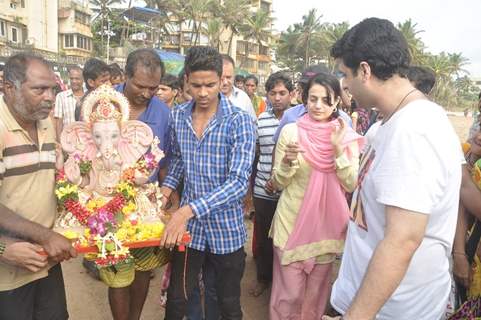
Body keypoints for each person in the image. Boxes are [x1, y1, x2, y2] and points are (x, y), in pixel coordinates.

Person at [323, 18, 463, 320]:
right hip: (368, 299)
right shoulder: (387, 125)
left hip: (389, 311)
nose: (343, 85)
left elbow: (402, 240)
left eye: (345, 75)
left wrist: (356, 316)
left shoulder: (413, 131)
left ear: (364, 70)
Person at [159, 46, 256, 320]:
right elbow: (178, 159)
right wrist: (165, 191)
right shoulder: (178, 116)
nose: (203, 93)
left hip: (226, 229)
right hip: (189, 232)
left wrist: (187, 210)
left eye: (211, 85)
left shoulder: (240, 122)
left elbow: (238, 183)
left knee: (226, 302)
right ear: (186, 79)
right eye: (197, 85)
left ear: (222, 80)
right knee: (178, 299)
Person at [270, 73, 363, 319]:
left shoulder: (345, 135)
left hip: (326, 228)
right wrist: (288, 163)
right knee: (288, 296)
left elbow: (352, 182)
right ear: (304, 99)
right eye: (313, 99)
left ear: (336, 103)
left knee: (315, 297)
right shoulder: (291, 132)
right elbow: (278, 183)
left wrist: (336, 150)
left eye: (325, 100)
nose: (318, 105)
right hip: (290, 224)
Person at [0, 53, 77, 319]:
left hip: (45, 260)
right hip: (8, 272)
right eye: (39, 89)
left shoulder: (45, 123)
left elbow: (46, 185)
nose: (49, 97)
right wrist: (3, 249)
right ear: (9, 87)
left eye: (53, 89)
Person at [105, 48, 171, 320]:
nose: (146, 94)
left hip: (146, 203)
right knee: (118, 270)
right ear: (125, 76)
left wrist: (165, 203)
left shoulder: (163, 112)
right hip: (107, 201)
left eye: (153, 88)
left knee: (143, 269)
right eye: (140, 86)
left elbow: (165, 162)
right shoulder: (105, 104)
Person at [249, 71, 294, 298]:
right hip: (263, 190)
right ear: (267, 95)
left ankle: (284, 283)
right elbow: (255, 153)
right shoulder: (261, 120)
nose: (277, 97)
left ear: (292, 94)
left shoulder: (299, 121)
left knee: (287, 239)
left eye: (282, 93)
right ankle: (263, 279)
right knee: (265, 238)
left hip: (290, 192)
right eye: (273, 93)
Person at [272, 65, 352, 143]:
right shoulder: (290, 115)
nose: (318, 105)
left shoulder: (343, 121)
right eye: (305, 86)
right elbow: (278, 149)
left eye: (325, 100)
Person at [220, 55, 257, 121]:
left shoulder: (243, 98)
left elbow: (254, 124)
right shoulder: (207, 97)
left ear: (234, 76)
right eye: (221, 78)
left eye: (228, 77)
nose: (225, 82)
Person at [53, 66, 84, 139]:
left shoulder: (89, 97)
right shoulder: (61, 97)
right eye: (71, 78)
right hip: (68, 141)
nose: (74, 81)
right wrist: (60, 142)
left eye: (77, 79)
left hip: (86, 141)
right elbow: (58, 122)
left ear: (83, 80)